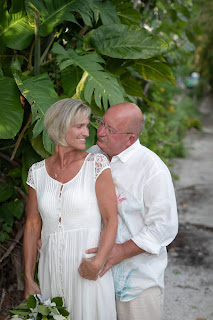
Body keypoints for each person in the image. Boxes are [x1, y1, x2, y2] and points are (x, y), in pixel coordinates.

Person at [23, 98, 118, 320]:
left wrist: (98, 262)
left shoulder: (96, 165)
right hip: (50, 271)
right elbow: (32, 226)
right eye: (79, 126)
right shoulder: (36, 173)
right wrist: (29, 277)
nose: (87, 133)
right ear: (60, 127)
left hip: (86, 270)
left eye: (87, 126)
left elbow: (111, 219)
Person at [86, 102, 178, 320]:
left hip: (137, 285)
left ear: (130, 138)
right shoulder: (91, 156)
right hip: (95, 279)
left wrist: (119, 252)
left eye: (110, 130)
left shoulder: (152, 169)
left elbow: (164, 227)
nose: (100, 132)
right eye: (101, 123)